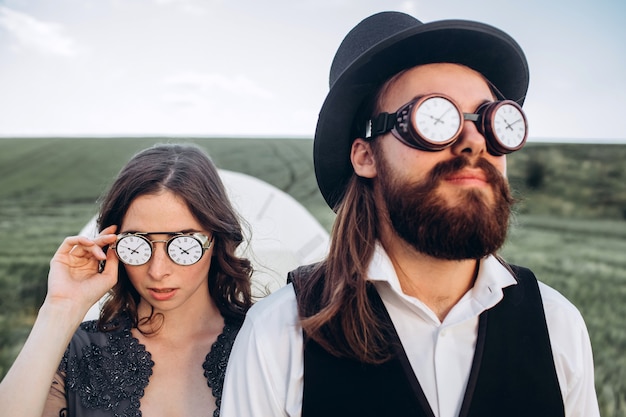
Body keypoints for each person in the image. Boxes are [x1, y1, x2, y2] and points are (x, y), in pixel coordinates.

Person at [220, 11, 600, 417]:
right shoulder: (277, 335)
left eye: (491, 121)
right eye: (434, 119)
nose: (474, 141)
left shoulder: (556, 325)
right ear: (366, 155)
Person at [0, 143, 253, 417]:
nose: (157, 271)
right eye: (137, 244)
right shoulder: (78, 353)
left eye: (183, 245)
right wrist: (59, 308)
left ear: (216, 241)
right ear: (112, 244)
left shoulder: (262, 342)